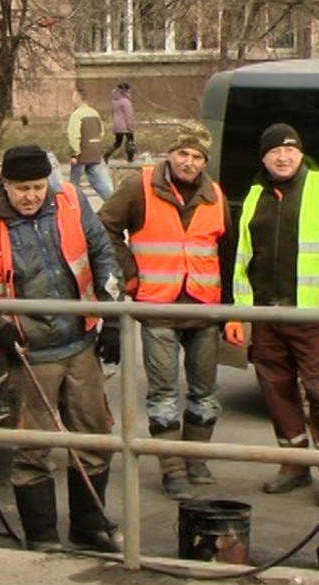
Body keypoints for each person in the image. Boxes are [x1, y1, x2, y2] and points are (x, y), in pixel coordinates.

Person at [0, 145, 125, 553]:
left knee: (95, 438)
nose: (32, 196)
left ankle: (88, 527)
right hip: (30, 355)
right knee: (35, 449)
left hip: (81, 346)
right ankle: (41, 537)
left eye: (38, 187)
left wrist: (112, 313)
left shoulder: (72, 204)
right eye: (22, 188)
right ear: (5, 184)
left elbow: (103, 253)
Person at [224, 123, 319, 508]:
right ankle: (294, 465)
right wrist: (236, 313)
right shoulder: (254, 196)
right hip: (267, 316)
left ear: (301, 154)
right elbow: (240, 261)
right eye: (274, 151)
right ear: (264, 157)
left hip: (312, 314)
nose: (283, 157)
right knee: (277, 392)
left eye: (290, 150)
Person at [97, 123, 234, 501]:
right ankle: (172, 468)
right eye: (182, 154)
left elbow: (227, 251)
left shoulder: (215, 195)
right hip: (157, 306)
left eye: (197, 157)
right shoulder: (138, 187)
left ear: (205, 161)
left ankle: (196, 459)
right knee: (163, 394)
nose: (188, 162)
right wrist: (130, 276)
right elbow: (104, 228)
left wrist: (230, 307)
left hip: (204, 308)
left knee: (206, 392)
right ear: (169, 155)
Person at [66, 88, 113, 201]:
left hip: (81, 154)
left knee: (73, 184)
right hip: (95, 152)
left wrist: (74, 153)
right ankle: (112, 203)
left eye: (73, 97)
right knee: (99, 182)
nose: (72, 99)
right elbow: (101, 133)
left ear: (78, 98)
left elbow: (74, 135)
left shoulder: (76, 115)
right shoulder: (94, 113)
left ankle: (72, 206)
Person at [103, 82, 136, 164]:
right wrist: (131, 127)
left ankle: (106, 155)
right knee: (130, 141)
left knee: (117, 143)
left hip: (117, 126)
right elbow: (129, 115)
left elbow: (113, 113)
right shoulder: (126, 102)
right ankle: (130, 159)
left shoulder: (115, 101)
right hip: (125, 125)